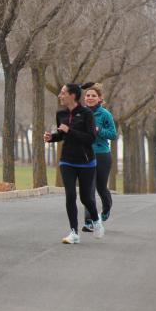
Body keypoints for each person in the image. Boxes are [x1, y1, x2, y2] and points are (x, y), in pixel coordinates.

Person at [44, 84, 104, 244]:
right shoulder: (61, 113)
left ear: (72, 95)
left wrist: (70, 130)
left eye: (63, 93)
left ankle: (96, 220)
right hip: (67, 161)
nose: (60, 95)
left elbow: (91, 138)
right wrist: (52, 137)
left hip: (86, 161)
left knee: (86, 198)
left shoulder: (86, 114)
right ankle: (74, 232)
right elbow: (62, 135)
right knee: (70, 195)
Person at [81, 83, 117, 232]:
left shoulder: (105, 114)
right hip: (85, 155)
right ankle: (89, 221)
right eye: (88, 95)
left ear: (99, 98)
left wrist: (99, 130)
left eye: (93, 96)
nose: (90, 98)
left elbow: (113, 134)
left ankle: (107, 207)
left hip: (102, 154)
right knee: (88, 189)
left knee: (101, 187)